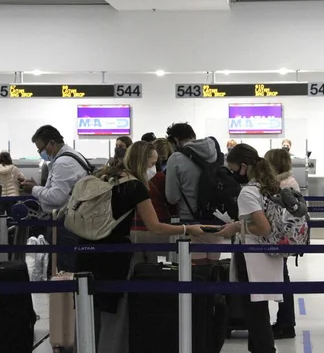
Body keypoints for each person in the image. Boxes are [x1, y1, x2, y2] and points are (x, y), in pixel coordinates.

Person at [78, 141, 204, 351]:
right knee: (115, 315)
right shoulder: (134, 185)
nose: (154, 168)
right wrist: (187, 229)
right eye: (153, 163)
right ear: (143, 162)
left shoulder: (105, 175)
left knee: (90, 310)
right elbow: (155, 226)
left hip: (86, 249)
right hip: (115, 255)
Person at [217, 143, 283, 353]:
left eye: (235, 169)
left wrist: (236, 226)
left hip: (252, 254)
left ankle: (264, 349)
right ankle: (259, 347)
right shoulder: (270, 185)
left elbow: (262, 227)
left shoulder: (248, 192)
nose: (234, 174)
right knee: (259, 307)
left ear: (244, 166)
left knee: (254, 309)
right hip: (269, 253)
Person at [165, 123, 222, 264]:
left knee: (196, 271)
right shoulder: (217, 153)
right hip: (217, 218)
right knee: (213, 267)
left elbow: (172, 197)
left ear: (176, 140)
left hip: (191, 219)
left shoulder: (176, 158)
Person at [263, 148, 298, 339]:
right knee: (282, 277)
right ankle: (285, 321)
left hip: (280, 237)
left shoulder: (283, 183)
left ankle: (286, 323)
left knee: (282, 278)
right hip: (282, 236)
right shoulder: (286, 181)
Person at [20, 125, 90, 214]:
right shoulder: (71, 155)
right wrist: (36, 187)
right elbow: (61, 190)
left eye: (40, 149)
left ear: (51, 143)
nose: (41, 153)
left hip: (69, 219)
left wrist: (33, 189)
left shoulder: (63, 163)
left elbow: (57, 198)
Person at [130, 138, 178, 262]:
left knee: (135, 269)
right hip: (159, 228)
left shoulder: (125, 180)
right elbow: (171, 201)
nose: (154, 167)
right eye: (153, 163)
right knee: (158, 270)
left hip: (133, 229)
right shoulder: (161, 179)